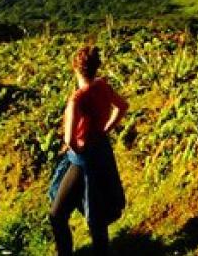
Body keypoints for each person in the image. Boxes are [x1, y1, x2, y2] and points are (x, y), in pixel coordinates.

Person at [48, 44, 129, 255]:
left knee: (57, 215)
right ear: (95, 68)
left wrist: (77, 149)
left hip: (83, 159)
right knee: (97, 210)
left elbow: (69, 138)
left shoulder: (77, 99)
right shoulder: (103, 86)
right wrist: (105, 130)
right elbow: (122, 106)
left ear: (75, 69)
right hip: (102, 151)